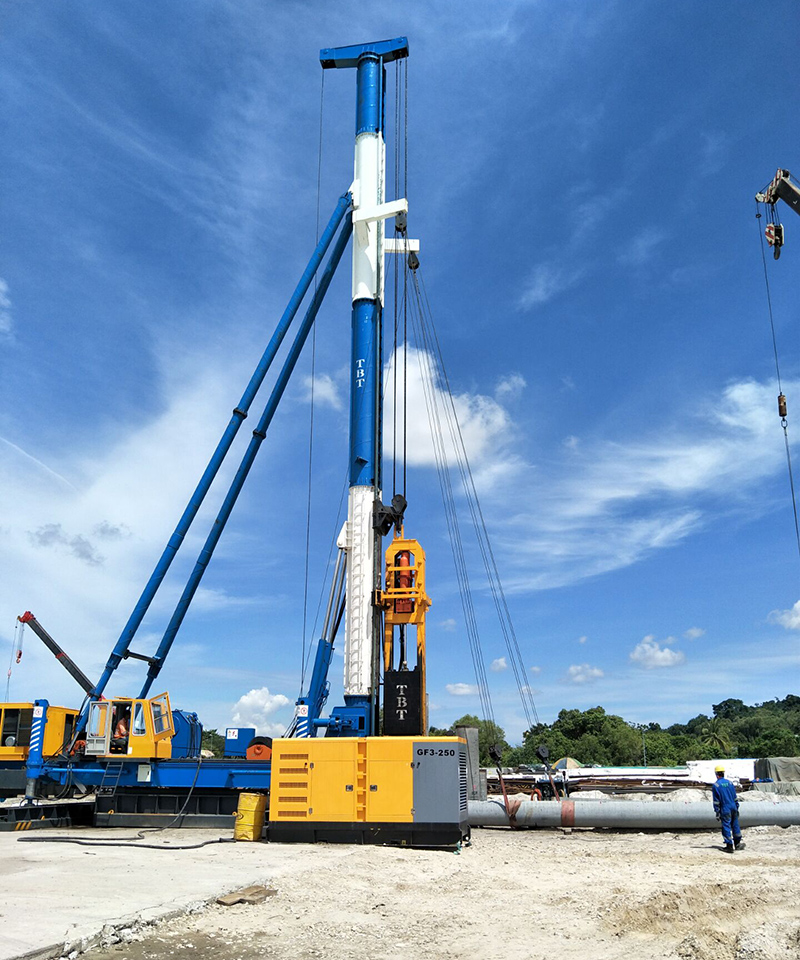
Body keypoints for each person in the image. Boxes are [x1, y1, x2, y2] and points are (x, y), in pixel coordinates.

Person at [712, 764, 744, 853]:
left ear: (716, 774)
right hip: (733, 806)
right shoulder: (730, 783)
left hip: (725, 808)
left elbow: (716, 801)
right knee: (735, 824)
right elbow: (735, 797)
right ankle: (737, 844)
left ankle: (729, 846)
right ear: (723, 773)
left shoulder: (716, 785)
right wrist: (737, 807)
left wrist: (717, 812)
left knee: (726, 826)